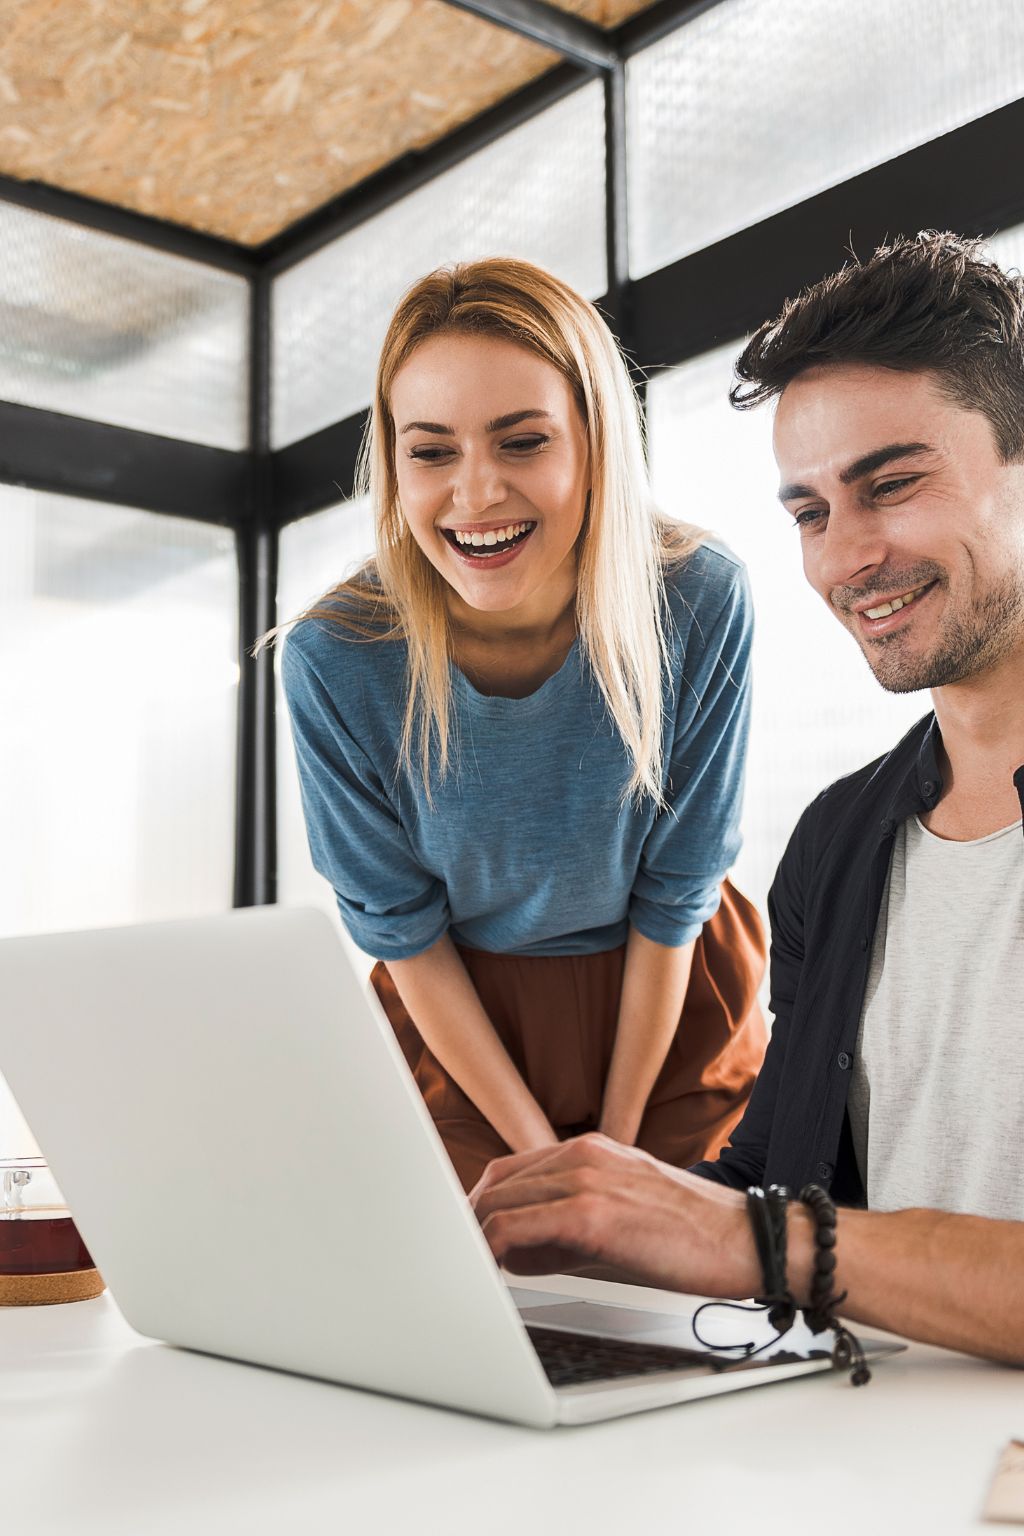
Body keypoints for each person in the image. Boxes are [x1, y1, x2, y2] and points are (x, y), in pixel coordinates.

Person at [471, 232, 1024, 1366]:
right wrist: (566, 1230)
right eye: (810, 512)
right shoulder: (840, 840)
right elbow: (770, 1187)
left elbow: (766, 1232)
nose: (846, 558)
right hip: (875, 1457)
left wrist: (750, 1236)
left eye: (892, 484)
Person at [281, 258, 767, 1193]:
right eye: (430, 452)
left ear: (594, 443)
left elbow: (678, 893)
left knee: (683, 1280)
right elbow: (403, 930)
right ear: (393, 463)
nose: (475, 495)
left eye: (522, 442)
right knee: (490, 1292)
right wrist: (546, 1155)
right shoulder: (335, 657)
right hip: (461, 1022)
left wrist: (617, 1154)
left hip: (669, 997)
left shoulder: (702, 599)